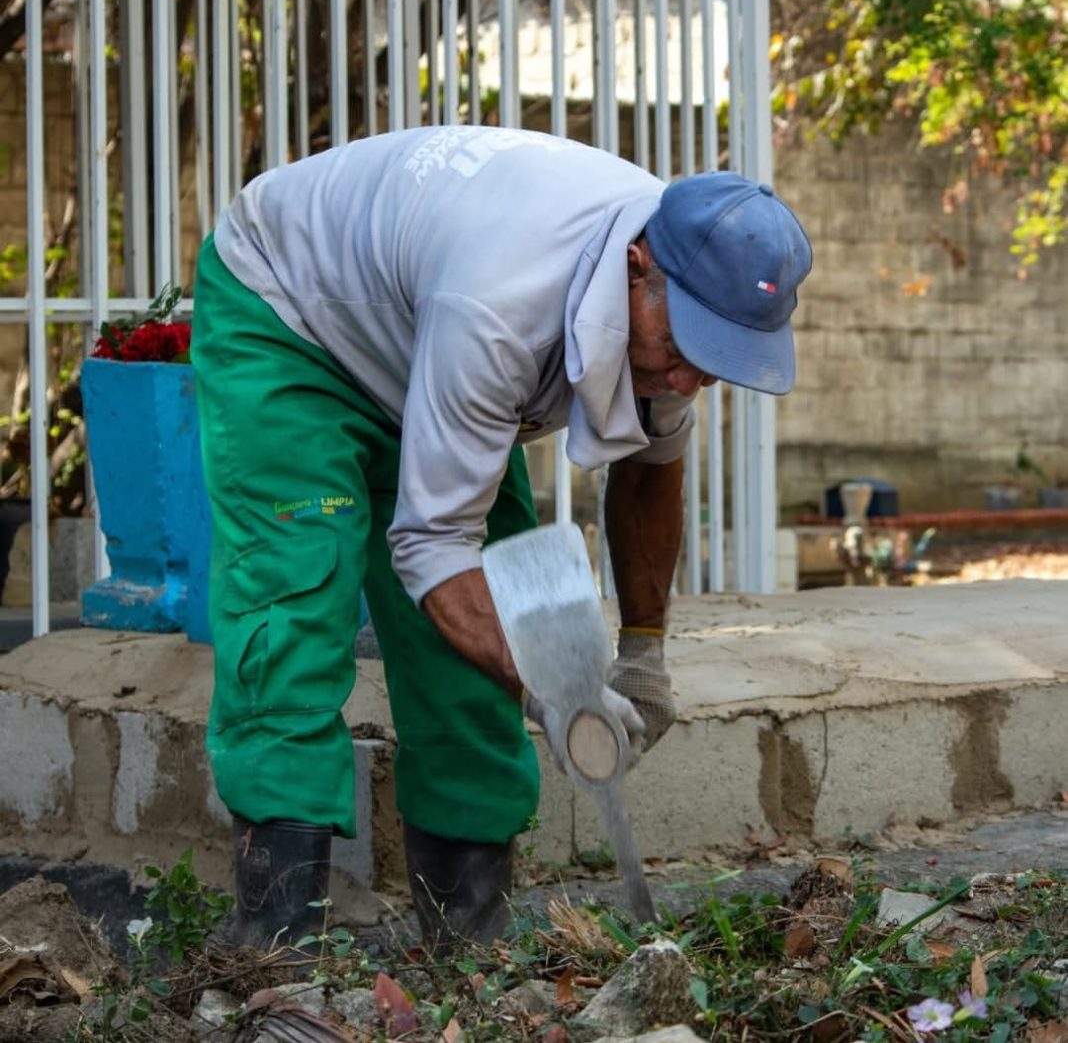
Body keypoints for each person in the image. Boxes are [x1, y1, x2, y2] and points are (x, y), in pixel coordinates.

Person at [190, 125, 812, 953]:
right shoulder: (502, 302)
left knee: (502, 620)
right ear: (640, 272)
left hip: (425, 339)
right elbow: (433, 548)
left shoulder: (679, 283)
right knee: (294, 600)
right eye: (686, 351)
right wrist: (555, 688)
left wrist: (644, 651)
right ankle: (273, 942)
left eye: (717, 363)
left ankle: (467, 937)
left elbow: (654, 465)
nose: (689, 379)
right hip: (293, 314)